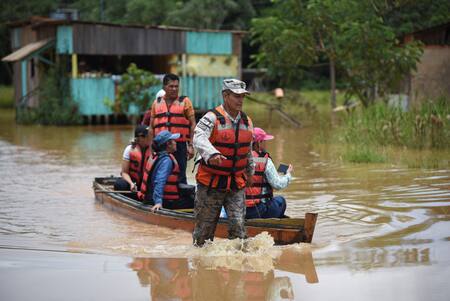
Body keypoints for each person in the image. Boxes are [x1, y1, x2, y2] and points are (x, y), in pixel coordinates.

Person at [192, 78, 254, 246]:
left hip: (236, 184)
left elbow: (247, 150)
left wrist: (250, 172)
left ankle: (238, 265)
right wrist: (212, 153)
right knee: (204, 232)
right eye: (236, 96)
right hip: (211, 184)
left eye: (243, 97)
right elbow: (198, 137)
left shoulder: (247, 121)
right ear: (225, 96)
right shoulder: (211, 118)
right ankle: (201, 266)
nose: (241, 100)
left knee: (239, 227)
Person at [143, 73, 196, 184]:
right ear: (164, 87)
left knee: (180, 174)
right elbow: (152, 127)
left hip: (179, 145)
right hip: (160, 145)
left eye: (176, 86)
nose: (174, 89)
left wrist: (191, 146)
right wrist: (151, 148)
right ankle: (158, 198)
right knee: (159, 172)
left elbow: (192, 125)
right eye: (171, 86)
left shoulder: (185, 102)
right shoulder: (156, 103)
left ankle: (181, 199)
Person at [138, 130, 195, 212]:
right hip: (162, 201)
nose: (176, 143)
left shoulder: (156, 156)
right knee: (194, 200)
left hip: (149, 197)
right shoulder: (166, 161)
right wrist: (158, 202)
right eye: (173, 141)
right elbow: (159, 181)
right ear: (168, 144)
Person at [245, 127, 292, 219]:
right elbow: (278, 184)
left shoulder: (239, 157)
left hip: (238, 208)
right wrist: (288, 174)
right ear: (259, 142)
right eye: (264, 141)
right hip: (257, 210)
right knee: (281, 200)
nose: (266, 143)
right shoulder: (265, 161)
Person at [114, 125, 151, 196]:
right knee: (119, 184)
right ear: (139, 138)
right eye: (147, 136)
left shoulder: (152, 150)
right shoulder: (129, 149)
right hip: (133, 182)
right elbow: (124, 172)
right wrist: (131, 184)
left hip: (146, 183)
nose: (149, 138)